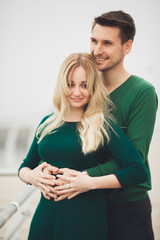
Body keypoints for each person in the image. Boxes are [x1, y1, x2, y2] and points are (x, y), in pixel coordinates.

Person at [42, 10, 158, 240]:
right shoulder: (81, 90)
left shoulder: (142, 92)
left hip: (125, 206)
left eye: (107, 43)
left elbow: (134, 158)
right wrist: (42, 170)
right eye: (94, 41)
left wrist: (83, 176)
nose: (96, 50)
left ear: (127, 47)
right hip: (85, 204)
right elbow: (64, 138)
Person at [18, 53, 149, 240]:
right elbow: (25, 166)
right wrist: (31, 176)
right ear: (62, 85)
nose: (77, 92)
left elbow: (137, 171)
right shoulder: (47, 123)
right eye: (71, 84)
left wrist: (90, 182)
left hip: (85, 221)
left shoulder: (103, 125)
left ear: (93, 87)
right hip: (45, 220)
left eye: (84, 85)